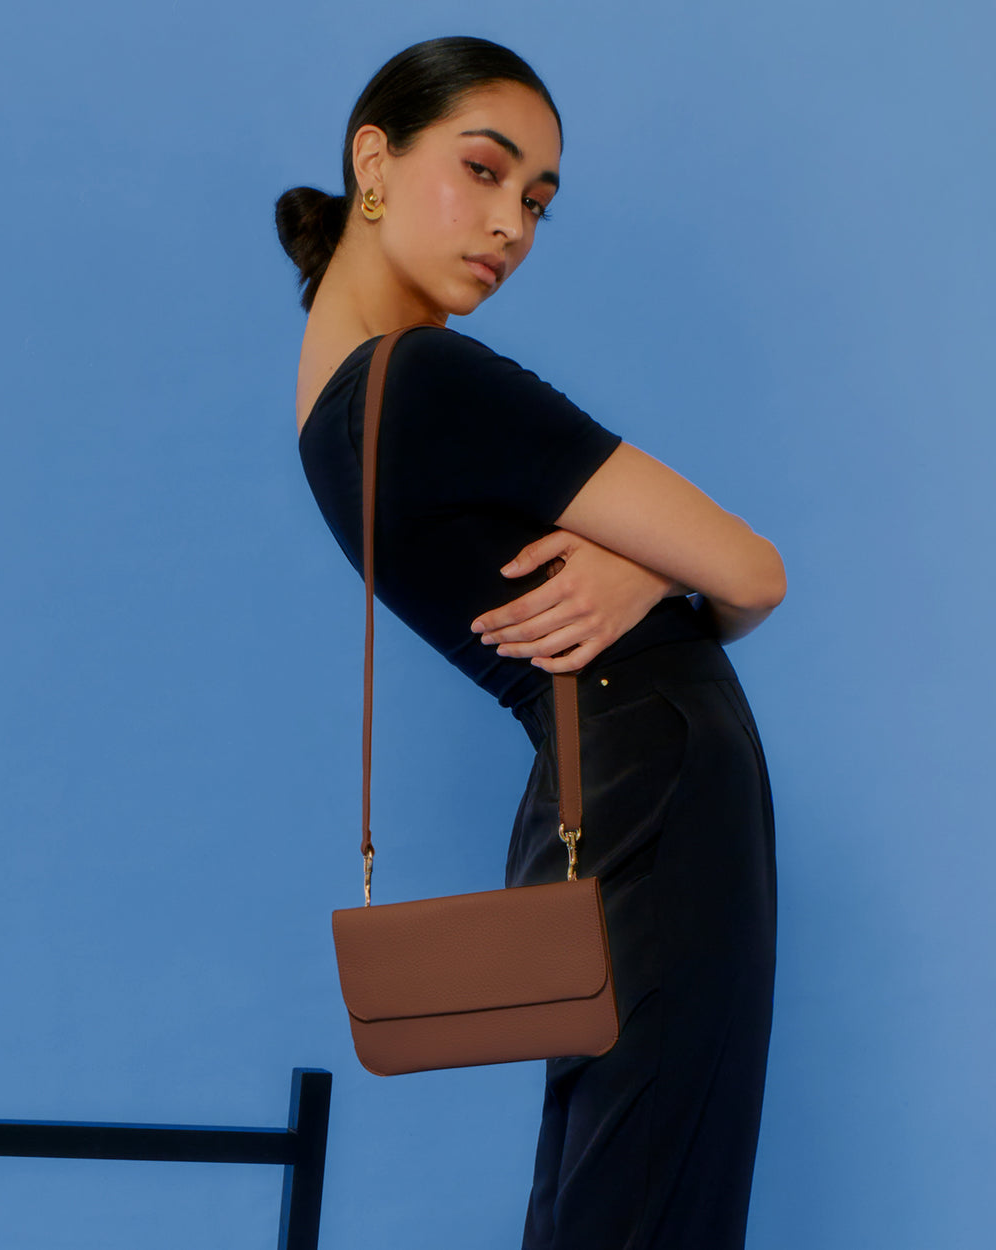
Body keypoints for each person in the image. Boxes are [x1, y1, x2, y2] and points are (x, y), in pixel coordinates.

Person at [276, 35, 785, 1250]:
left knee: (605, 1179)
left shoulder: (327, 409)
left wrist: (643, 567)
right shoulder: (428, 376)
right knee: (646, 1185)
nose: (510, 224)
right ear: (373, 162)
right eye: (484, 169)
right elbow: (755, 572)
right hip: (659, 777)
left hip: (600, 785)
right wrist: (662, 563)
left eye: (537, 201)